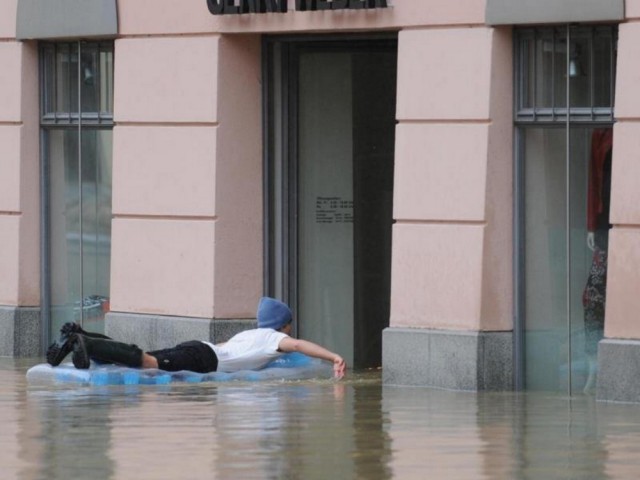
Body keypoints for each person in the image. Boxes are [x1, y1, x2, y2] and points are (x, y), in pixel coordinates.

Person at [46, 297, 347, 379]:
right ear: (284, 325)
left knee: (140, 356)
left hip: (200, 347)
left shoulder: (249, 333)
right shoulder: (272, 339)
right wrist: (334, 356)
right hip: (205, 359)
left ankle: (80, 334)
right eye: (290, 326)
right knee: (147, 361)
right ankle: (84, 343)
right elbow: (296, 346)